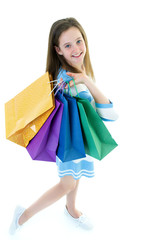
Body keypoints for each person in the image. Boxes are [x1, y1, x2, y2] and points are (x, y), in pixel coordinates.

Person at [9, 17, 118, 234]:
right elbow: (110, 115)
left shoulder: (75, 72)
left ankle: (71, 209)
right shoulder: (71, 80)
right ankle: (22, 216)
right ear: (58, 50)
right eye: (68, 45)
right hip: (69, 141)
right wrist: (86, 81)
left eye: (79, 41)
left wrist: (85, 78)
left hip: (75, 140)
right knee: (67, 183)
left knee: (75, 177)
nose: (76, 49)